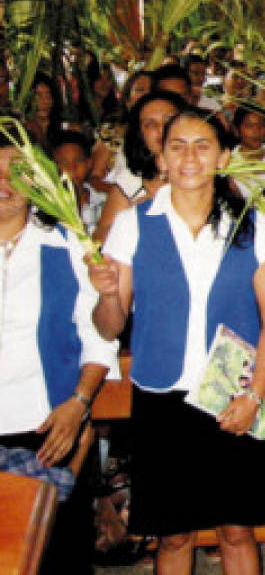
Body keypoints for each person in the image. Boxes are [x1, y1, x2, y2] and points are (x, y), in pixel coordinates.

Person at [90, 110, 265, 573]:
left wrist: (254, 395)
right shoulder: (134, 225)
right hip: (162, 399)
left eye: (203, 145)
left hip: (232, 395)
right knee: (173, 535)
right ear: (161, 156)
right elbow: (109, 326)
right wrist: (106, 294)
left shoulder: (250, 225)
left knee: (237, 531)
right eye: (177, 145)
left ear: (222, 156)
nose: (190, 157)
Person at [0, 136, 119, 573]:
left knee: (57, 558)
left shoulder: (65, 243)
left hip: (49, 430)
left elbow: (99, 335)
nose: (3, 184)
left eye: (15, 172)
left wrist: (79, 404)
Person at [95, 90, 187, 244]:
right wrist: (132, 214)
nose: (161, 128)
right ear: (140, 135)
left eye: (169, 120)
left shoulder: (206, 174)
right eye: (150, 124)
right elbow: (98, 239)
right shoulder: (130, 181)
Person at [50, 131, 107, 232]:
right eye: (64, 162)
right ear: (52, 166)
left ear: (89, 163)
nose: (72, 168)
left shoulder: (105, 204)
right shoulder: (47, 207)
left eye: (79, 160)